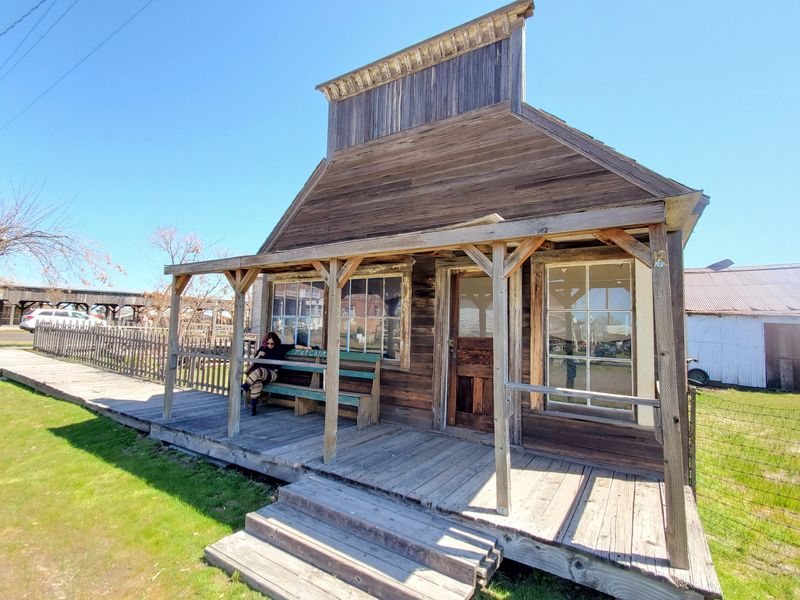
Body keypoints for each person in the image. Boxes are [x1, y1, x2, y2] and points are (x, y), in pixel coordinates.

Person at [241, 332, 296, 416]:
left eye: (272, 343)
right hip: (259, 375)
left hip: (273, 374)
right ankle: (253, 407)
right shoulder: (262, 349)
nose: (269, 345)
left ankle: (244, 387)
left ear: (276, 342)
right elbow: (251, 366)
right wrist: (258, 357)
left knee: (260, 371)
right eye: (268, 343)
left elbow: (294, 346)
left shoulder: (280, 348)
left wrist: (310, 347)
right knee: (257, 382)